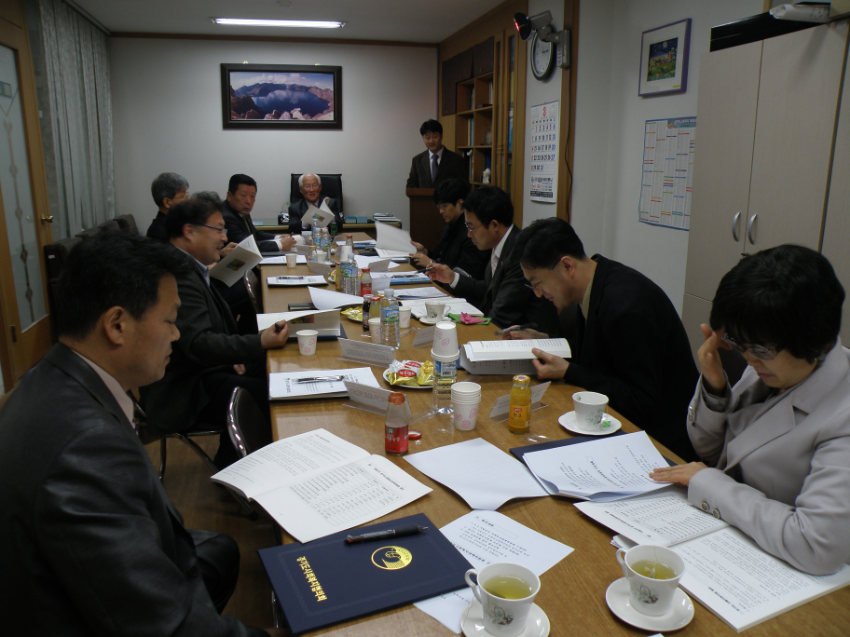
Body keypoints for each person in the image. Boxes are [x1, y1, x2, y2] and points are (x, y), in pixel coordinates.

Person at [0, 231, 282, 636]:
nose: (176, 334)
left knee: (219, 553)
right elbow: (165, 625)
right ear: (116, 324)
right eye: (169, 320)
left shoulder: (52, 380)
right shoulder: (86, 448)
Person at [650, 245, 850, 575]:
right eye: (740, 345)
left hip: (791, 574)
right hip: (738, 539)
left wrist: (710, 484)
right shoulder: (774, 363)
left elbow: (816, 546)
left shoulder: (840, 413)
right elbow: (711, 451)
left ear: (814, 342)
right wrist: (715, 388)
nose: (748, 359)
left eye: (758, 350)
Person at [507, 217, 698, 461]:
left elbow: (642, 403)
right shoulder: (596, 280)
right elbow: (602, 355)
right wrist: (546, 340)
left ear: (567, 266)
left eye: (538, 284)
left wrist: (569, 371)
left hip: (663, 444)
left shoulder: (625, 307)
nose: (538, 294)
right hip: (619, 424)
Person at [140, 198, 290, 467]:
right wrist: (259, 342)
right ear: (189, 231)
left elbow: (201, 336)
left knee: (277, 370)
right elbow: (198, 343)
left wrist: (241, 350)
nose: (224, 237)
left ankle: (232, 458)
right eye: (218, 229)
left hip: (203, 368)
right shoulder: (177, 274)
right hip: (184, 388)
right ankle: (244, 470)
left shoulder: (189, 266)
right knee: (270, 391)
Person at [426, 186, 558, 334]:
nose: (469, 235)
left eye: (471, 228)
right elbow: (489, 289)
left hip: (530, 343)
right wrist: (452, 278)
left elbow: (501, 316)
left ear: (494, 225)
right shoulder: (501, 244)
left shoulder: (520, 252)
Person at [409, 178, 489, 280]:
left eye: (444, 206)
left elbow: (465, 272)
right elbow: (442, 258)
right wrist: (425, 252)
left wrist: (431, 263)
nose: (441, 211)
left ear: (460, 204)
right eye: (439, 207)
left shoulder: (471, 232)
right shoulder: (449, 227)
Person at [221, 173, 295, 253]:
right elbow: (245, 246)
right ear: (229, 196)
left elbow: (254, 234)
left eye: (252, 196)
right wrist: (279, 244)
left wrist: (277, 237)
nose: (248, 201)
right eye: (243, 195)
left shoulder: (241, 211)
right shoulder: (226, 217)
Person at [405, 119, 467, 189]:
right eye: (427, 138)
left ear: (441, 136)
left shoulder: (456, 160)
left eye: (434, 137)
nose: (431, 141)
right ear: (423, 138)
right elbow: (411, 184)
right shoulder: (417, 160)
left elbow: (463, 186)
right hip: (424, 200)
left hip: (447, 199)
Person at [146, 171, 189, 241]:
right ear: (167, 202)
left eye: (187, 195)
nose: (188, 199)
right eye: (183, 196)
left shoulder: (180, 222)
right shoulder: (157, 233)